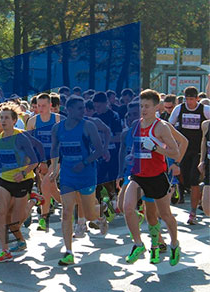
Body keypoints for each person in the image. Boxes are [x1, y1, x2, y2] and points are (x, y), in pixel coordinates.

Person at [123, 89, 181, 266]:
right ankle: (138, 244)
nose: (143, 109)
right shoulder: (136, 125)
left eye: (147, 106)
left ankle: (174, 244)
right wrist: (131, 157)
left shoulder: (161, 127)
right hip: (138, 176)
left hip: (157, 177)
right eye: (141, 106)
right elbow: (135, 149)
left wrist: (156, 148)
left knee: (164, 214)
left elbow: (175, 151)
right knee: (127, 207)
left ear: (157, 107)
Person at [49, 96, 109, 266]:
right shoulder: (57, 128)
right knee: (67, 211)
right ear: (69, 110)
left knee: (89, 215)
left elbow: (98, 150)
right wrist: (55, 169)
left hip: (87, 175)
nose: (83, 111)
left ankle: (101, 214)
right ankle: (68, 252)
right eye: (79, 109)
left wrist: (84, 163)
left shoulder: (88, 126)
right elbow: (54, 149)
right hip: (68, 175)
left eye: (84, 108)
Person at [0, 104, 43, 262]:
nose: (3, 121)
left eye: (7, 118)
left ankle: (33, 200)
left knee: (15, 222)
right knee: (0, 215)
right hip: (6, 180)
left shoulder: (21, 137)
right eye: (1, 118)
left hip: (23, 180)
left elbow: (34, 160)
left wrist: (22, 173)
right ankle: (5, 250)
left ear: (15, 120)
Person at [168, 86, 210, 224]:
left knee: (193, 179)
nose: (189, 102)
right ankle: (200, 193)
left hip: (198, 150)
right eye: (187, 99)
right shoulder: (179, 109)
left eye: (192, 99)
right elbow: (169, 125)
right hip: (183, 150)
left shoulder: (204, 110)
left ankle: (192, 212)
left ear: (197, 99)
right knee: (184, 180)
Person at [26, 93, 63, 232]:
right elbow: (28, 143)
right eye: (38, 106)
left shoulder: (58, 119)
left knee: (47, 183)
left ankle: (44, 217)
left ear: (50, 106)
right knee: (50, 188)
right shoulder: (32, 121)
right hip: (41, 159)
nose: (40, 108)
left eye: (44, 106)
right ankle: (70, 205)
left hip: (57, 158)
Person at [198, 118, 210, 216]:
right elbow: (204, 142)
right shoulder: (206, 124)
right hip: (209, 167)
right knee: (207, 208)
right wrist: (201, 160)